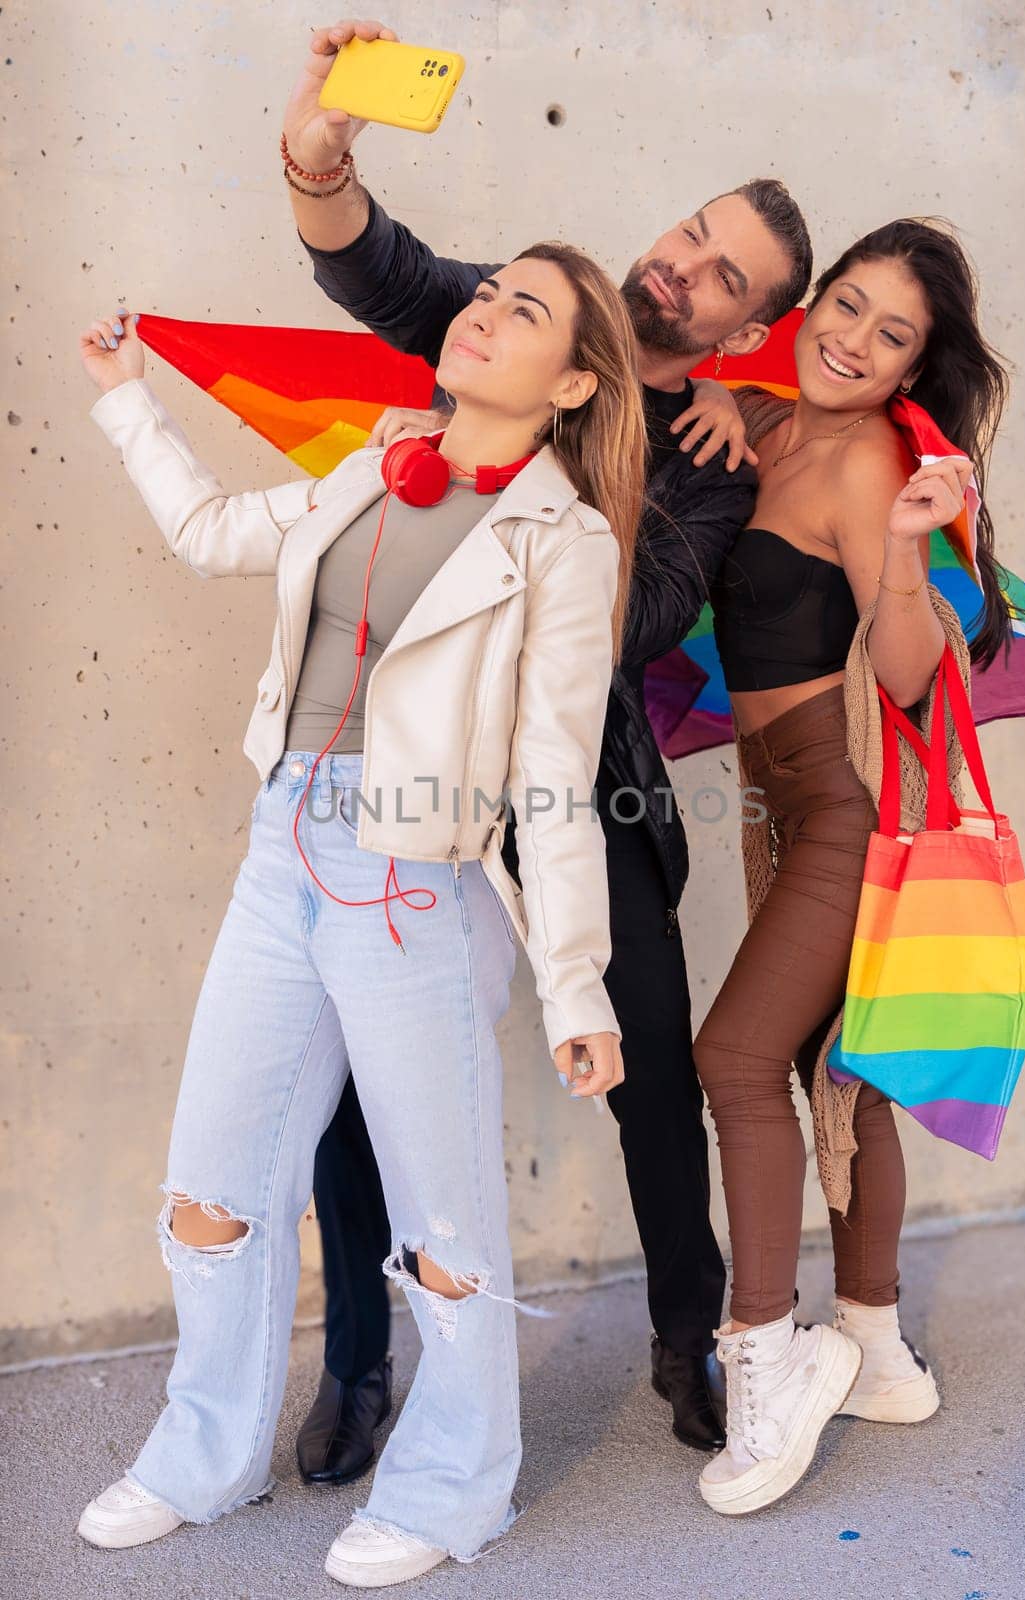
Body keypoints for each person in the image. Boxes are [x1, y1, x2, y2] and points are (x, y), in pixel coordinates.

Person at [281, 16, 814, 1469]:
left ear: (733, 329)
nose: (679, 269)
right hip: (404, 777)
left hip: (583, 788)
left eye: (720, 282)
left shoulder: (710, 460)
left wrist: (630, 430)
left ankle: (685, 1337)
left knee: (650, 1074)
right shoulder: (517, 312)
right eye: (688, 236)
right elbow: (367, 258)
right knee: (349, 1082)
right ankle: (360, 1367)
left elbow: (635, 626)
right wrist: (320, 153)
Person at [75, 238, 646, 1588]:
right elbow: (214, 536)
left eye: (525, 311)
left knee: (440, 1228)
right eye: (487, 293)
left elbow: (553, 780)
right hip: (282, 851)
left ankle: (456, 1492)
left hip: (415, 883)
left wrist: (575, 986)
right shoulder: (373, 465)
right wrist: (122, 399)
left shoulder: (563, 544)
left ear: (570, 382)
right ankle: (201, 1455)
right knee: (212, 1187)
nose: (485, 315)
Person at [691, 219, 1012, 1516]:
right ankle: (876, 1348)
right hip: (769, 811)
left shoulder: (875, 459)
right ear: (811, 298)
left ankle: (767, 1365)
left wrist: (902, 546)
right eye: (848, 306)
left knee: (733, 1057)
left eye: (893, 336)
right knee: (845, 1070)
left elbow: (907, 669)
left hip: (838, 810)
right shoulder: (766, 421)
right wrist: (704, 392)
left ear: (911, 369)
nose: (855, 341)